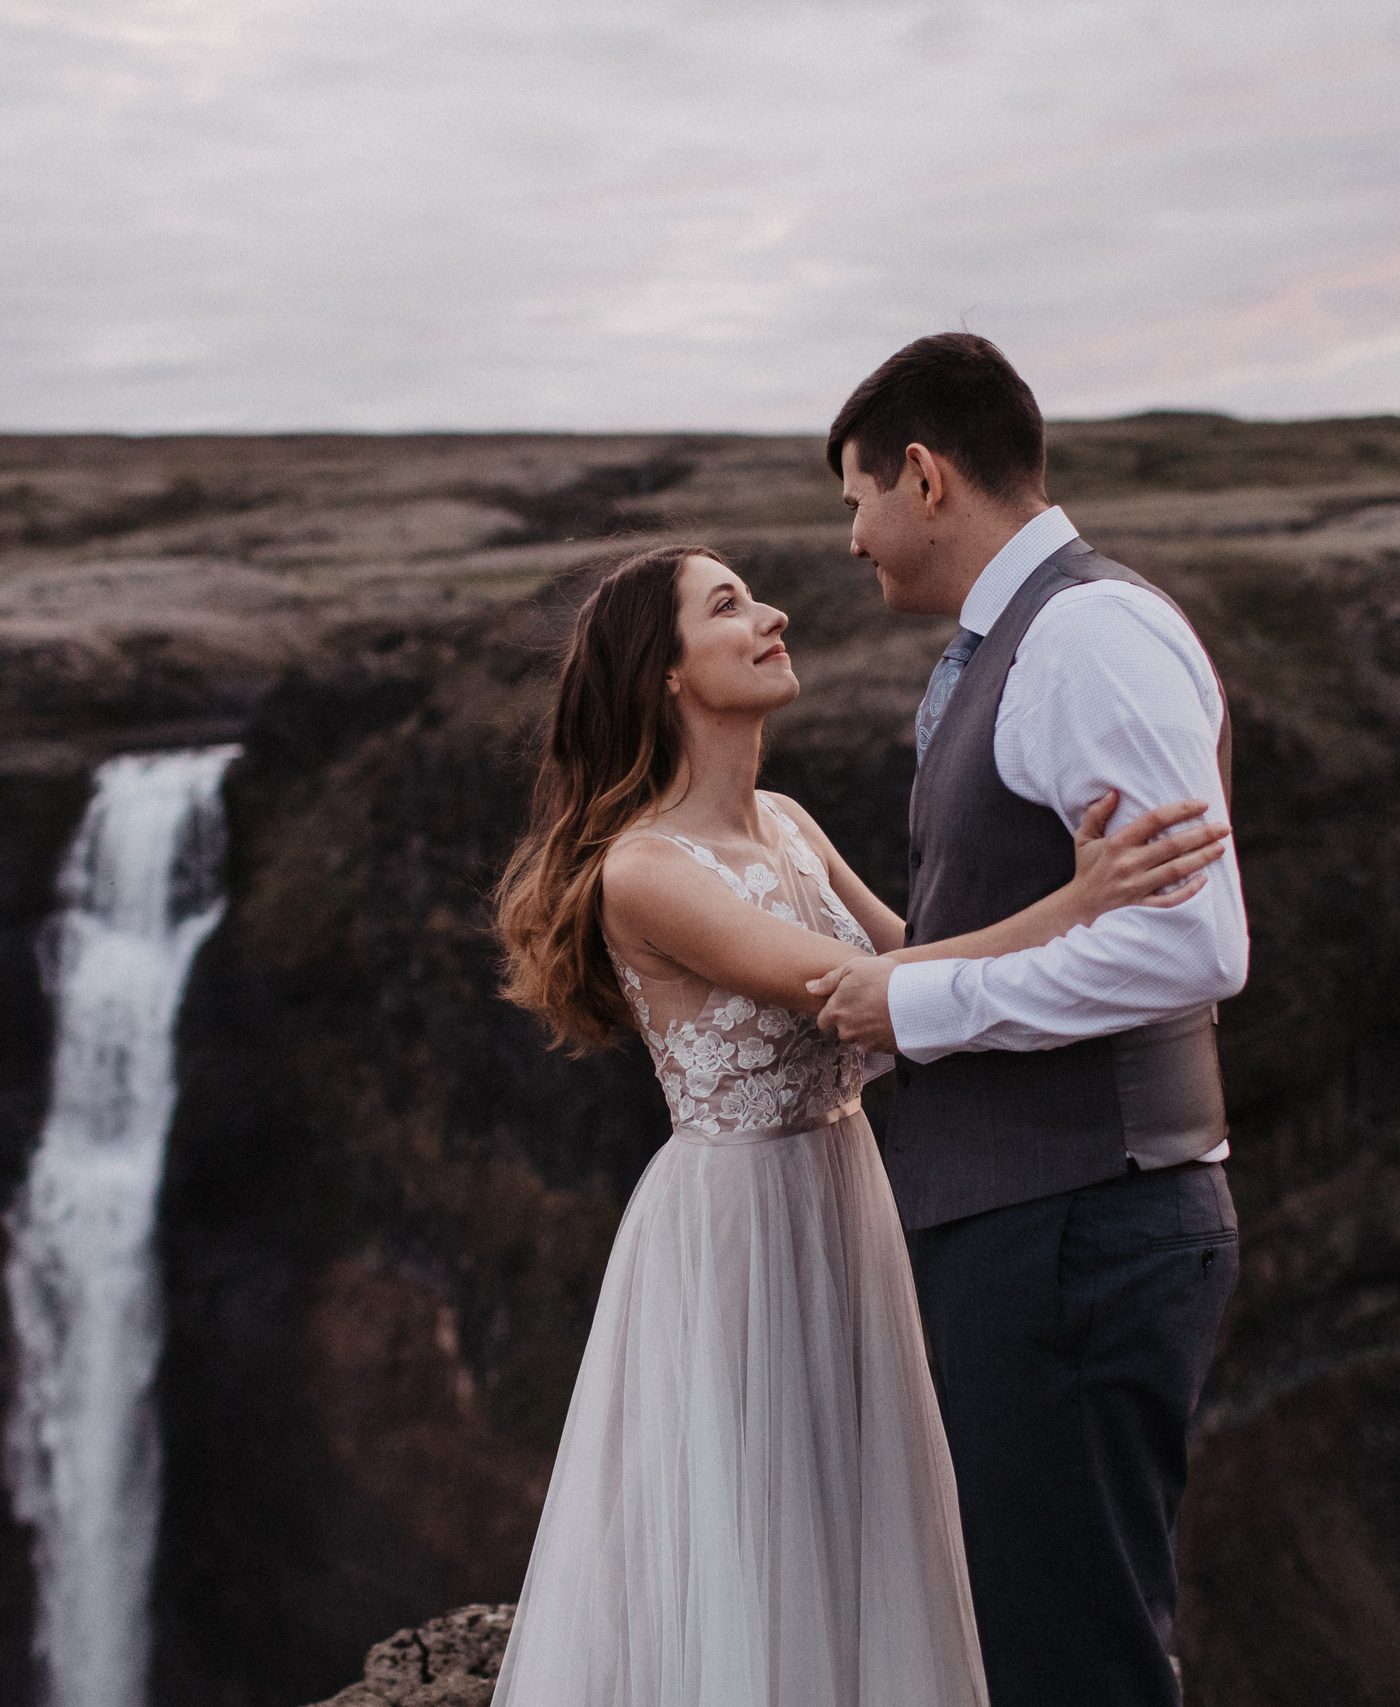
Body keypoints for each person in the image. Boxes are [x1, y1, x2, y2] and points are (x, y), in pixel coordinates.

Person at [487, 541, 1231, 1707]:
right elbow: (844, 993)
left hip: (849, 1189)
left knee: (867, 1512)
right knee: (763, 1531)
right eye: (728, 606)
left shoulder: (786, 819)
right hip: (734, 1225)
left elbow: (911, 968)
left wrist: (1080, 917)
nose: (772, 614)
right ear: (663, 675)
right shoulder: (642, 871)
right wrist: (1079, 904)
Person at [809, 333, 1248, 1707]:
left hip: (1080, 1227)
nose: (855, 540)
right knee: (1037, 1638)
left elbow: (1190, 937)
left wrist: (917, 1000)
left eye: (857, 502)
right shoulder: (1023, 641)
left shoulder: (1086, 634)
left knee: (1076, 1660)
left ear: (925, 475)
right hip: (1043, 1224)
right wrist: (892, 1000)